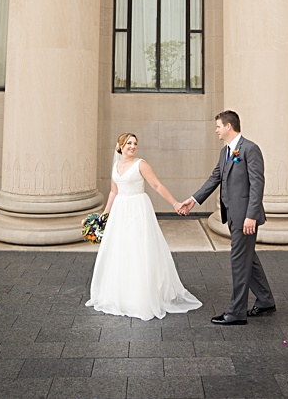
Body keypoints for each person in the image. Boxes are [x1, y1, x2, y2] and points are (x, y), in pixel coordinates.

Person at [85, 132, 201, 320]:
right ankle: (120, 293)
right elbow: (114, 192)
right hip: (120, 210)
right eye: (129, 143)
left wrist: (175, 203)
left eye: (135, 143)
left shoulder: (142, 164)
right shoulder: (116, 166)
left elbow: (156, 185)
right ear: (120, 145)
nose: (132, 146)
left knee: (138, 248)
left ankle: (141, 296)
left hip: (138, 208)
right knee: (120, 250)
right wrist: (105, 214)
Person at [176, 110, 277, 325]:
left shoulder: (250, 149)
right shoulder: (225, 152)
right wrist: (192, 200)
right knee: (248, 258)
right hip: (231, 215)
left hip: (245, 218)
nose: (216, 131)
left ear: (229, 126)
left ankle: (236, 312)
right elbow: (215, 178)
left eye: (218, 126)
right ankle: (266, 300)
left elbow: (257, 185)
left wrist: (251, 215)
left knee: (239, 261)